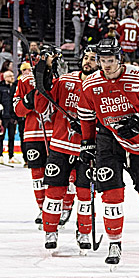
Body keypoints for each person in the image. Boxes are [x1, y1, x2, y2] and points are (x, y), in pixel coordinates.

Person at [77, 38, 139, 268]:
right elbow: (86, 116)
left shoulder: (138, 76)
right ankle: (114, 242)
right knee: (111, 193)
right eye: (102, 60)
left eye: (110, 60)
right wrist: (87, 143)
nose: (106, 65)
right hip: (108, 140)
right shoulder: (90, 85)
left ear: (119, 59)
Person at [35, 45, 97, 251]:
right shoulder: (66, 80)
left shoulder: (102, 86)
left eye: (93, 59)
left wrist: (91, 124)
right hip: (60, 146)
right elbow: (43, 103)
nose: (88, 61)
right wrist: (44, 70)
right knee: (54, 192)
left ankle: (85, 231)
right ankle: (50, 231)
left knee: (85, 194)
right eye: (86, 57)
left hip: (87, 148)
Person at [13, 60, 54, 226]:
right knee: (38, 175)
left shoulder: (64, 80)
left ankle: (60, 207)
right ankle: (42, 208)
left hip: (58, 134)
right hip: (33, 134)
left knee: (59, 174)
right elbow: (17, 110)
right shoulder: (24, 81)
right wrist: (28, 102)